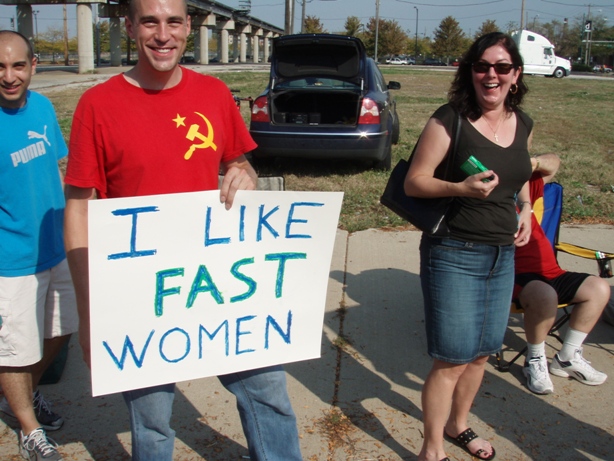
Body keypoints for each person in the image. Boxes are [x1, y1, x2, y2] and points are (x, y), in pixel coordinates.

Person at [62, 0, 302, 460]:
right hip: (140, 295)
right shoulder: (98, 105)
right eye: (149, 21)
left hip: (222, 284)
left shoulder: (212, 94)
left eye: (173, 21)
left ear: (189, 26)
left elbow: (238, 160)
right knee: (151, 424)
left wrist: (244, 174)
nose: (162, 34)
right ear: (130, 26)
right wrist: (90, 314)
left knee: (269, 396)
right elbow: (78, 209)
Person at [404, 32, 533, 461]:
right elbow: (415, 181)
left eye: (501, 67)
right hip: (454, 252)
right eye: (482, 66)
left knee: (481, 355)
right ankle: (432, 448)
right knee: (452, 359)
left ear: (515, 75)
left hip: (502, 254)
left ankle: (459, 426)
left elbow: (522, 175)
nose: (490, 75)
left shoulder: (523, 122)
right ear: (470, 71)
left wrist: (526, 208)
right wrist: (459, 187)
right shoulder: (450, 119)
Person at [0, 30, 78, 461]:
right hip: (11, 261)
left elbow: (57, 166)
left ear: (33, 67)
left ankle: (21, 397)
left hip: (56, 246)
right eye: (0, 67)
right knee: (16, 348)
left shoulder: (45, 107)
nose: (9, 76)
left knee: (62, 330)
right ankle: (29, 426)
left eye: (17, 65)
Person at [515, 153, 610, 395]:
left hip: (552, 271)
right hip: (514, 277)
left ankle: (568, 356)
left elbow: (554, 163)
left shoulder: (523, 186)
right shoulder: (485, 196)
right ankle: (534, 360)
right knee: (545, 294)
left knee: (598, 288)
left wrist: (530, 163)